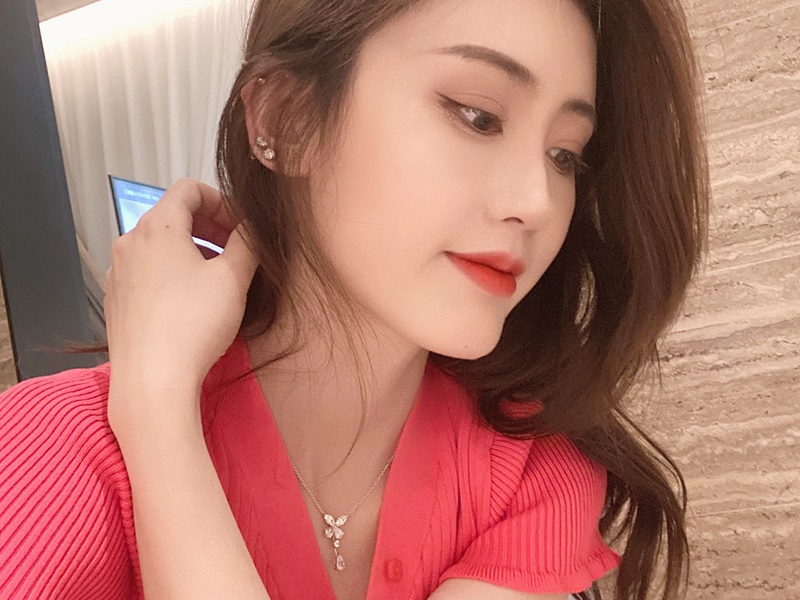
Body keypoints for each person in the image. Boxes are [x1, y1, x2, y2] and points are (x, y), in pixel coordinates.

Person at [0, 0, 710, 598]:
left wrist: (158, 418)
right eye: (478, 116)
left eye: (565, 155)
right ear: (285, 119)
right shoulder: (46, 458)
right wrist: (155, 408)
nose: (537, 201)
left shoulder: (529, 465)